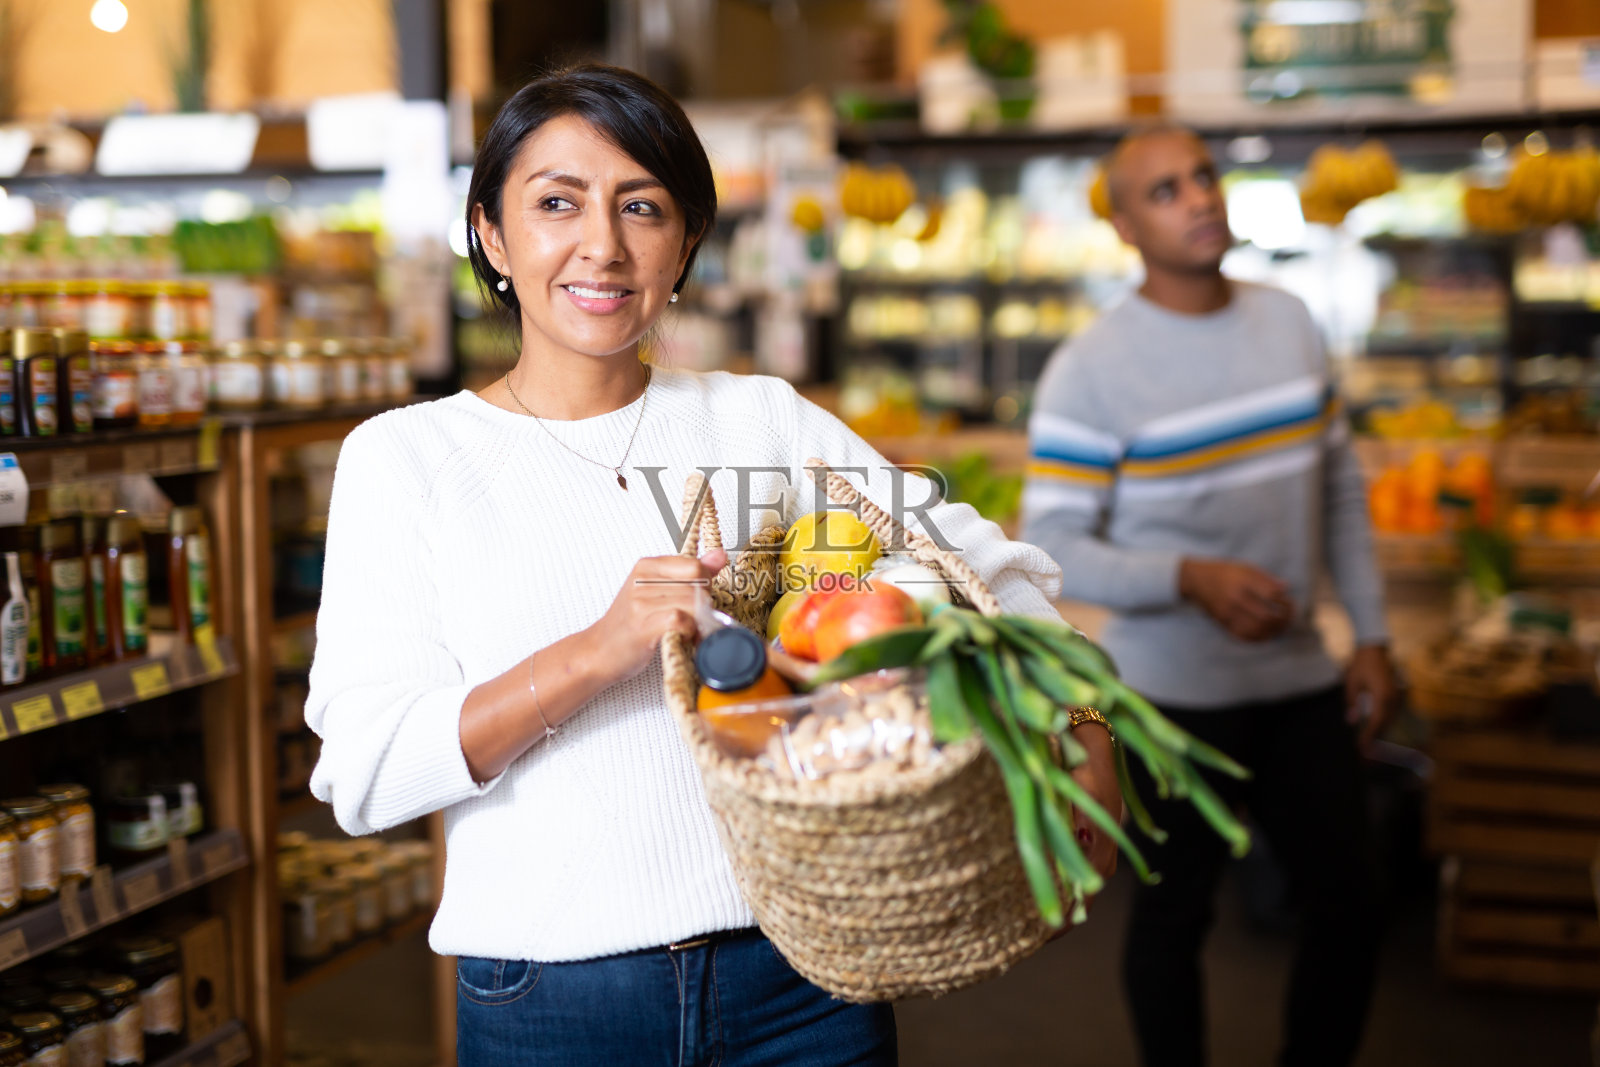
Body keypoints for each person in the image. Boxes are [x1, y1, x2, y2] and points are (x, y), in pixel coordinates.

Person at [306, 63, 1120, 1067]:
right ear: (491, 234)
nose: (600, 245)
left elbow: (979, 560)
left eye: (640, 207)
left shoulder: (755, 420)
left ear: (684, 242)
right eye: (556, 202)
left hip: (801, 984)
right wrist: (597, 651)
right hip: (552, 1001)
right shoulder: (406, 459)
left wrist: (1084, 721)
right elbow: (367, 770)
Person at [1020, 126, 1396, 1067]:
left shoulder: (1292, 321)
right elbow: (1052, 547)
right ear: (1122, 225)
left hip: (1302, 679)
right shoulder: (1090, 369)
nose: (1196, 198)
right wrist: (1190, 577)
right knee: (1171, 918)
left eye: (1203, 177)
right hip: (1169, 703)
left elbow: (1341, 490)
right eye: (1163, 191)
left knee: (1352, 907)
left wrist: (1376, 636)